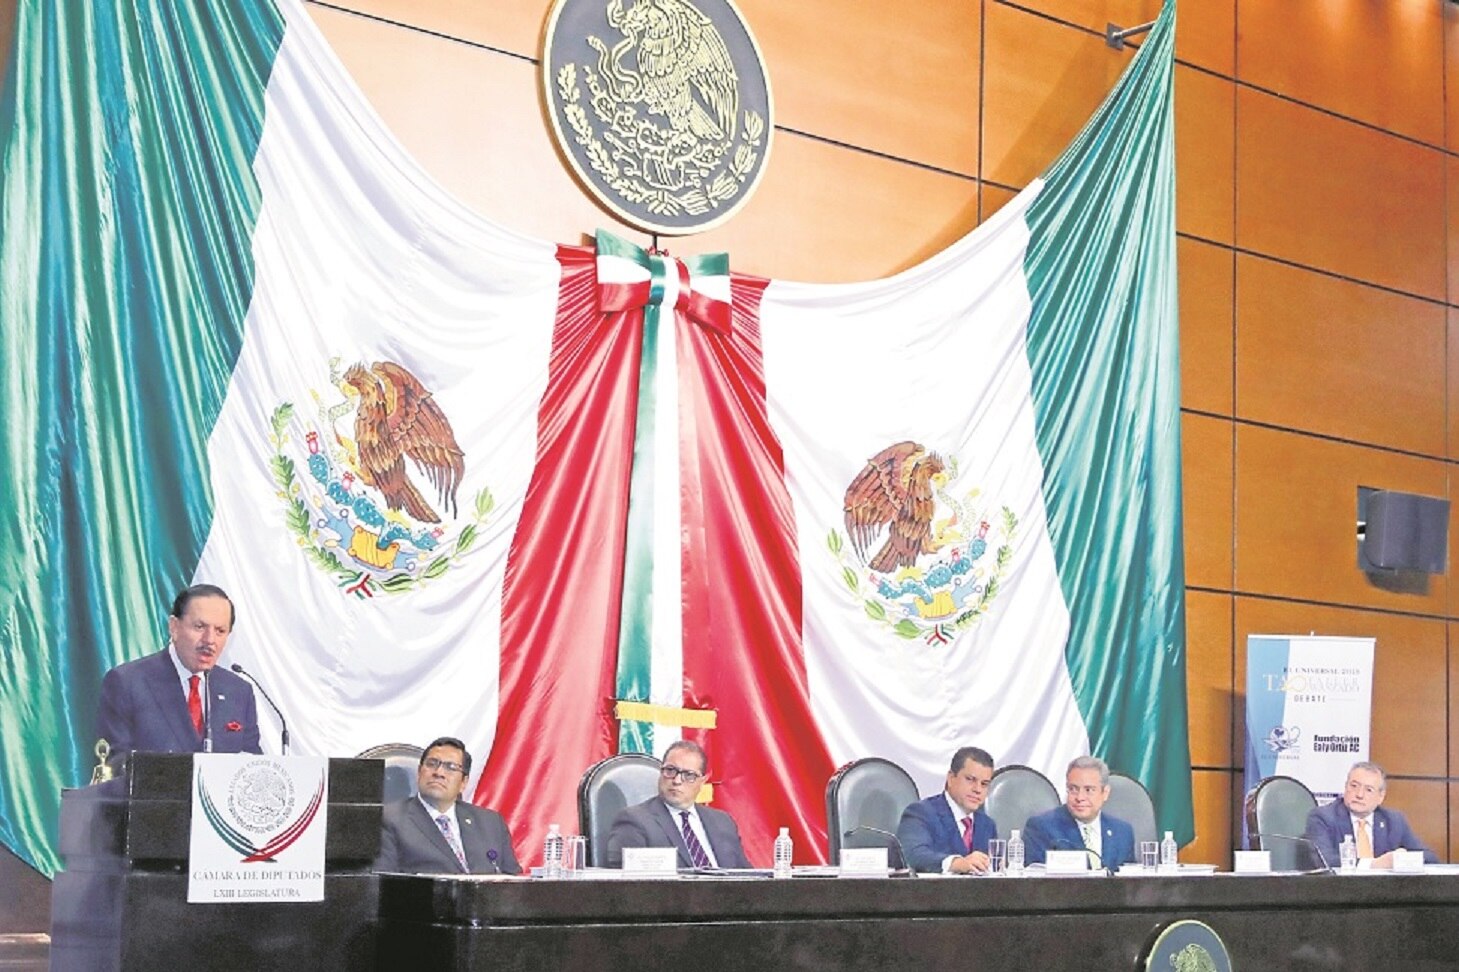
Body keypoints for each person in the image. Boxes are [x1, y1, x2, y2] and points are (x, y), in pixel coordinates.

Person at [95, 583, 261, 763]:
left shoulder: (238, 691)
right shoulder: (127, 682)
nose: (210, 640)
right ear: (174, 627)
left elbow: (251, 767)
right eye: (199, 627)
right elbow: (116, 764)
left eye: (220, 631)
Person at [375, 736, 522, 874]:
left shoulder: (490, 823)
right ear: (419, 772)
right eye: (432, 764)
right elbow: (381, 884)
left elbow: (513, 882)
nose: (439, 772)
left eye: (450, 767)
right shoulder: (388, 820)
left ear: (463, 783)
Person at [606, 740, 751, 868]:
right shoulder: (634, 820)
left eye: (689, 775)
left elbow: (748, 878)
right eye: (670, 770)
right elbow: (627, 888)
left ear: (703, 780)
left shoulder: (723, 822)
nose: (677, 781)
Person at [1303, 761, 1437, 869]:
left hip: (1386, 894)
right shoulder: (1323, 817)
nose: (1359, 794)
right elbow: (1324, 861)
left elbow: (1430, 858)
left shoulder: (1394, 820)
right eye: (1354, 786)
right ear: (1345, 787)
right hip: (1340, 893)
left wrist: (1401, 859)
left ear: (1380, 797)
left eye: (1368, 790)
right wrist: (1374, 865)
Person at [896, 746, 998, 874]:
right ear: (951, 778)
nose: (978, 789)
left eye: (984, 784)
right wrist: (957, 863)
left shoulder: (987, 824)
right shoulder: (921, 813)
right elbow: (912, 855)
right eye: (970, 779)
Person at [1024, 755, 1136, 870]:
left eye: (1089, 790)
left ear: (1105, 793)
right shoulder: (1042, 827)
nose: (1080, 797)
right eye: (1073, 789)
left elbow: (1132, 884)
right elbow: (1036, 884)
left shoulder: (1123, 832)